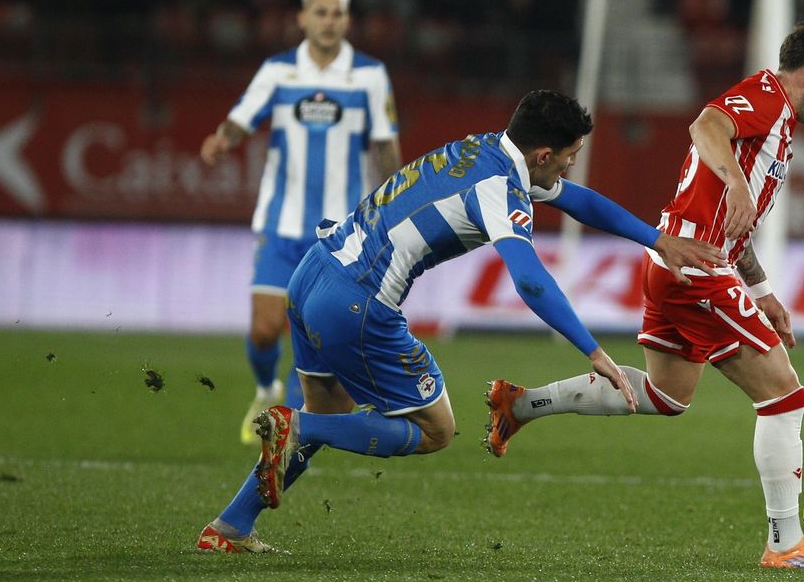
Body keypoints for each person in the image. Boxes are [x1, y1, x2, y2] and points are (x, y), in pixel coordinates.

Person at [195, 90, 724, 552]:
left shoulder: (485, 148)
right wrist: (593, 351)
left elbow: (577, 201)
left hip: (315, 273)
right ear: (544, 153)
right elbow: (532, 281)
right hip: (357, 304)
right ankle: (297, 427)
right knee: (434, 429)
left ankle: (231, 525)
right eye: (568, 157)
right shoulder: (501, 189)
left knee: (333, 412)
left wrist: (657, 240)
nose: (568, 168)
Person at [483, 21, 804, 571]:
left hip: (682, 263)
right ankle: (785, 546)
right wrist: (732, 180)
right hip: (697, 269)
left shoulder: (778, 127)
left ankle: (519, 404)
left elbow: (738, 225)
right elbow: (705, 125)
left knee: (667, 395)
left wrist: (763, 291)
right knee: (783, 397)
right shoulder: (767, 95)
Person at [200, 0, 402, 444]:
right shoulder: (279, 71)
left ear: (347, 21)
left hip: (337, 235)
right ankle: (265, 387)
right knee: (265, 329)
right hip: (281, 222)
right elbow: (242, 117)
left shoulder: (369, 75)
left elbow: (386, 143)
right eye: (321, 12)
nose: (329, 22)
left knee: (316, 334)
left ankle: (291, 414)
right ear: (303, 18)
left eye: (337, 14)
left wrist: (393, 196)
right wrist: (221, 139)